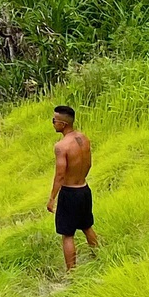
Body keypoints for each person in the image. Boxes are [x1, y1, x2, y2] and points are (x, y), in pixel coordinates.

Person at [47, 104, 99, 271]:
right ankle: (100, 256)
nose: (53, 123)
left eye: (54, 120)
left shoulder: (61, 146)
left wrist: (52, 198)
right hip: (84, 189)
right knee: (86, 226)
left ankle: (72, 273)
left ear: (62, 124)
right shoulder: (84, 138)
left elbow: (60, 175)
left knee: (67, 234)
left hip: (70, 193)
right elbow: (89, 164)